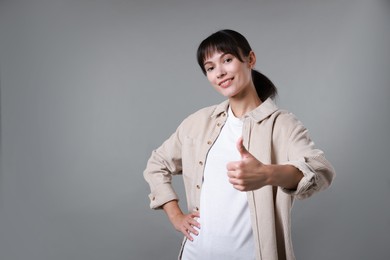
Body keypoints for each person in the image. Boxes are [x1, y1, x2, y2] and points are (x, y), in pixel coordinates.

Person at [143, 29, 335, 260]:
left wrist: (267, 174)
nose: (220, 72)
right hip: (196, 254)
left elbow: (321, 171)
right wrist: (175, 215)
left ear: (250, 59)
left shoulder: (282, 125)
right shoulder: (198, 122)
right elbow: (157, 163)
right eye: (210, 67)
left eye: (227, 60)